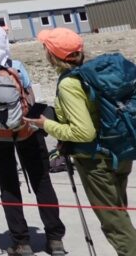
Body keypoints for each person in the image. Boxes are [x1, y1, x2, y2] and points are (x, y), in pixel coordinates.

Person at [31, 28, 136, 256]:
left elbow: (83, 132)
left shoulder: (70, 84)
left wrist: (45, 125)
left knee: (115, 224)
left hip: (95, 161)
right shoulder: (95, 73)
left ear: (52, 54)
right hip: (120, 151)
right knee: (119, 214)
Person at [0, 25, 65, 256]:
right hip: (26, 132)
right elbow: (30, 100)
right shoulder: (17, 67)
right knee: (42, 181)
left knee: (8, 186)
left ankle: (21, 242)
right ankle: (54, 240)